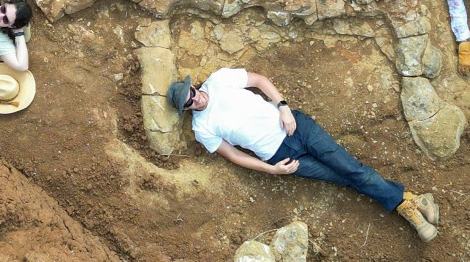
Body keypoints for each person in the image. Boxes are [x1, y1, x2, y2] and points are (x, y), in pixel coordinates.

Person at [168, 68, 440, 242]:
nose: (195, 100)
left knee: (352, 170)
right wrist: (272, 170)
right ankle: (412, 200)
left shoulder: (218, 81)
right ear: (187, 109)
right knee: (344, 178)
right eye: (188, 103)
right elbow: (233, 155)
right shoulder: (201, 128)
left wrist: (283, 107)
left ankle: (406, 206)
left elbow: (259, 80)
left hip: (297, 127)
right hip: (280, 157)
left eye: (191, 93)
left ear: (193, 86)